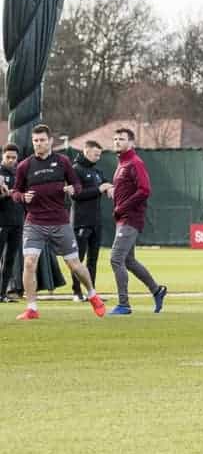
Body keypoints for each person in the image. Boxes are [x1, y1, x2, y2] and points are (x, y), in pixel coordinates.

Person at [11, 124, 105, 320]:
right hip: (34, 223)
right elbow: (15, 192)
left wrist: (74, 190)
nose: (38, 144)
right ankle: (32, 308)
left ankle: (93, 295)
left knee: (74, 264)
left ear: (50, 141)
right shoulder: (24, 166)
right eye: (35, 141)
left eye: (42, 140)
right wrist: (22, 197)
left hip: (59, 222)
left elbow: (77, 185)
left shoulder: (63, 162)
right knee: (29, 263)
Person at [108, 127, 167, 315]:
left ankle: (124, 304)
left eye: (122, 139)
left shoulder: (135, 162)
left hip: (130, 218)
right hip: (123, 218)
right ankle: (157, 290)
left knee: (116, 258)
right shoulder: (121, 164)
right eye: (115, 139)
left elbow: (144, 190)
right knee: (128, 260)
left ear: (131, 143)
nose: (117, 141)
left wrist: (121, 207)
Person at [70, 140, 109, 302]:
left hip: (96, 222)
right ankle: (76, 292)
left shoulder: (97, 171)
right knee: (78, 259)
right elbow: (76, 195)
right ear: (86, 151)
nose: (98, 157)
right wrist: (98, 190)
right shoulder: (75, 170)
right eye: (95, 154)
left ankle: (91, 292)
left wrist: (109, 188)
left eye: (100, 155)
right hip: (81, 221)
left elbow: (106, 184)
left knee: (93, 259)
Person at [0, 144, 23, 301]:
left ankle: (3, 294)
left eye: (14, 158)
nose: (11, 160)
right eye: (8, 157)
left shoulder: (20, 173)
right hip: (1, 221)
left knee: (10, 260)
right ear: (3, 156)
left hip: (17, 223)